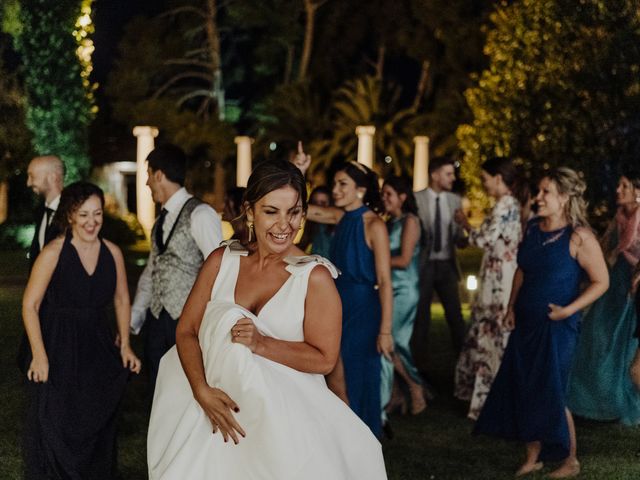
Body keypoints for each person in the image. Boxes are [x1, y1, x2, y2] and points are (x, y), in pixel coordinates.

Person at [147, 160, 386, 479]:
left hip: (280, 424)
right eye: (271, 211)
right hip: (210, 412)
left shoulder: (314, 278)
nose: (284, 224)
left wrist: (262, 344)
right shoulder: (222, 261)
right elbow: (187, 330)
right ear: (250, 211)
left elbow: (325, 359)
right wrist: (201, 390)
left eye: (294, 212)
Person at [475, 168, 609, 478]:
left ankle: (570, 460)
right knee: (525, 386)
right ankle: (533, 456)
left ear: (564, 198)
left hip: (558, 327)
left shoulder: (580, 236)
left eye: (545, 192)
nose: (537, 197)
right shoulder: (533, 228)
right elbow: (521, 270)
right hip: (526, 322)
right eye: (538, 191)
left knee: (552, 390)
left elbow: (601, 282)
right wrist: (511, 306)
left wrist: (568, 310)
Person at [21, 181, 141, 479]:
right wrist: (39, 355)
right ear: (70, 215)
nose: (92, 222)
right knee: (58, 419)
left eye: (97, 214)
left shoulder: (112, 252)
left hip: (97, 343)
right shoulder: (53, 252)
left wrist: (125, 344)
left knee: (96, 418)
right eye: (84, 214)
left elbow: (122, 298)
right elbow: (30, 305)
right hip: (58, 342)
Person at [296, 155, 394, 437]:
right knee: (332, 372)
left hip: (364, 310)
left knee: (358, 375)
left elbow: (385, 281)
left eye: (343, 184)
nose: (335, 190)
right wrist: (301, 172)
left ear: (360, 189)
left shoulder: (375, 225)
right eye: (335, 184)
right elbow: (302, 209)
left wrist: (385, 330)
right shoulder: (340, 217)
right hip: (335, 304)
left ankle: (363, 439)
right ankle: (338, 439)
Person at [131, 144, 223, 388]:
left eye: (148, 176)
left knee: (184, 388)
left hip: (188, 322)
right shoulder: (159, 221)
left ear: (159, 174)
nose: (147, 184)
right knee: (156, 386)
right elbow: (152, 270)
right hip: (156, 319)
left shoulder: (201, 214)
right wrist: (135, 316)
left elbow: (220, 270)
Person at [453, 157, 524, 420]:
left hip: (500, 282)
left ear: (498, 178)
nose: (483, 185)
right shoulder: (507, 205)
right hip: (498, 276)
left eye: (485, 179)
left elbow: (484, 239)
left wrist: (464, 224)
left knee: (492, 335)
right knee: (491, 334)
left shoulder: (505, 205)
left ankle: (490, 403)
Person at [567, 171, 640, 425]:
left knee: (625, 347)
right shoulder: (619, 217)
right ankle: (596, 398)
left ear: (637, 191)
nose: (618, 190)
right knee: (598, 338)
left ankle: (622, 400)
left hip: (633, 290)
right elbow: (604, 246)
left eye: (624, 185)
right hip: (614, 286)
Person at [413, 157, 468, 370]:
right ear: (435, 175)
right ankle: (420, 367)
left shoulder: (455, 200)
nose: (453, 178)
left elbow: (459, 236)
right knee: (421, 319)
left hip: (447, 265)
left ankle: (463, 366)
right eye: (448, 174)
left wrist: (463, 235)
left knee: (456, 318)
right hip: (424, 265)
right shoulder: (417, 199)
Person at [380, 176, 426, 420]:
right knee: (384, 342)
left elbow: (405, 259)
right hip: (388, 288)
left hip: (405, 288)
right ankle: (395, 394)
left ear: (402, 197)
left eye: (389, 193)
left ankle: (415, 386)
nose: (384, 198)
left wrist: (374, 263)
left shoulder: (410, 221)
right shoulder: (388, 223)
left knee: (395, 342)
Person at [26, 155, 64, 267]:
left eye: (32, 176)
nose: (28, 183)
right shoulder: (40, 211)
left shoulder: (74, 212)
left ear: (52, 177)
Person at [298, 185, 334, 257]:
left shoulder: (337, 220)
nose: (317, 207)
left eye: (323, 203)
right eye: (315, 203)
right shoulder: (312, 225)